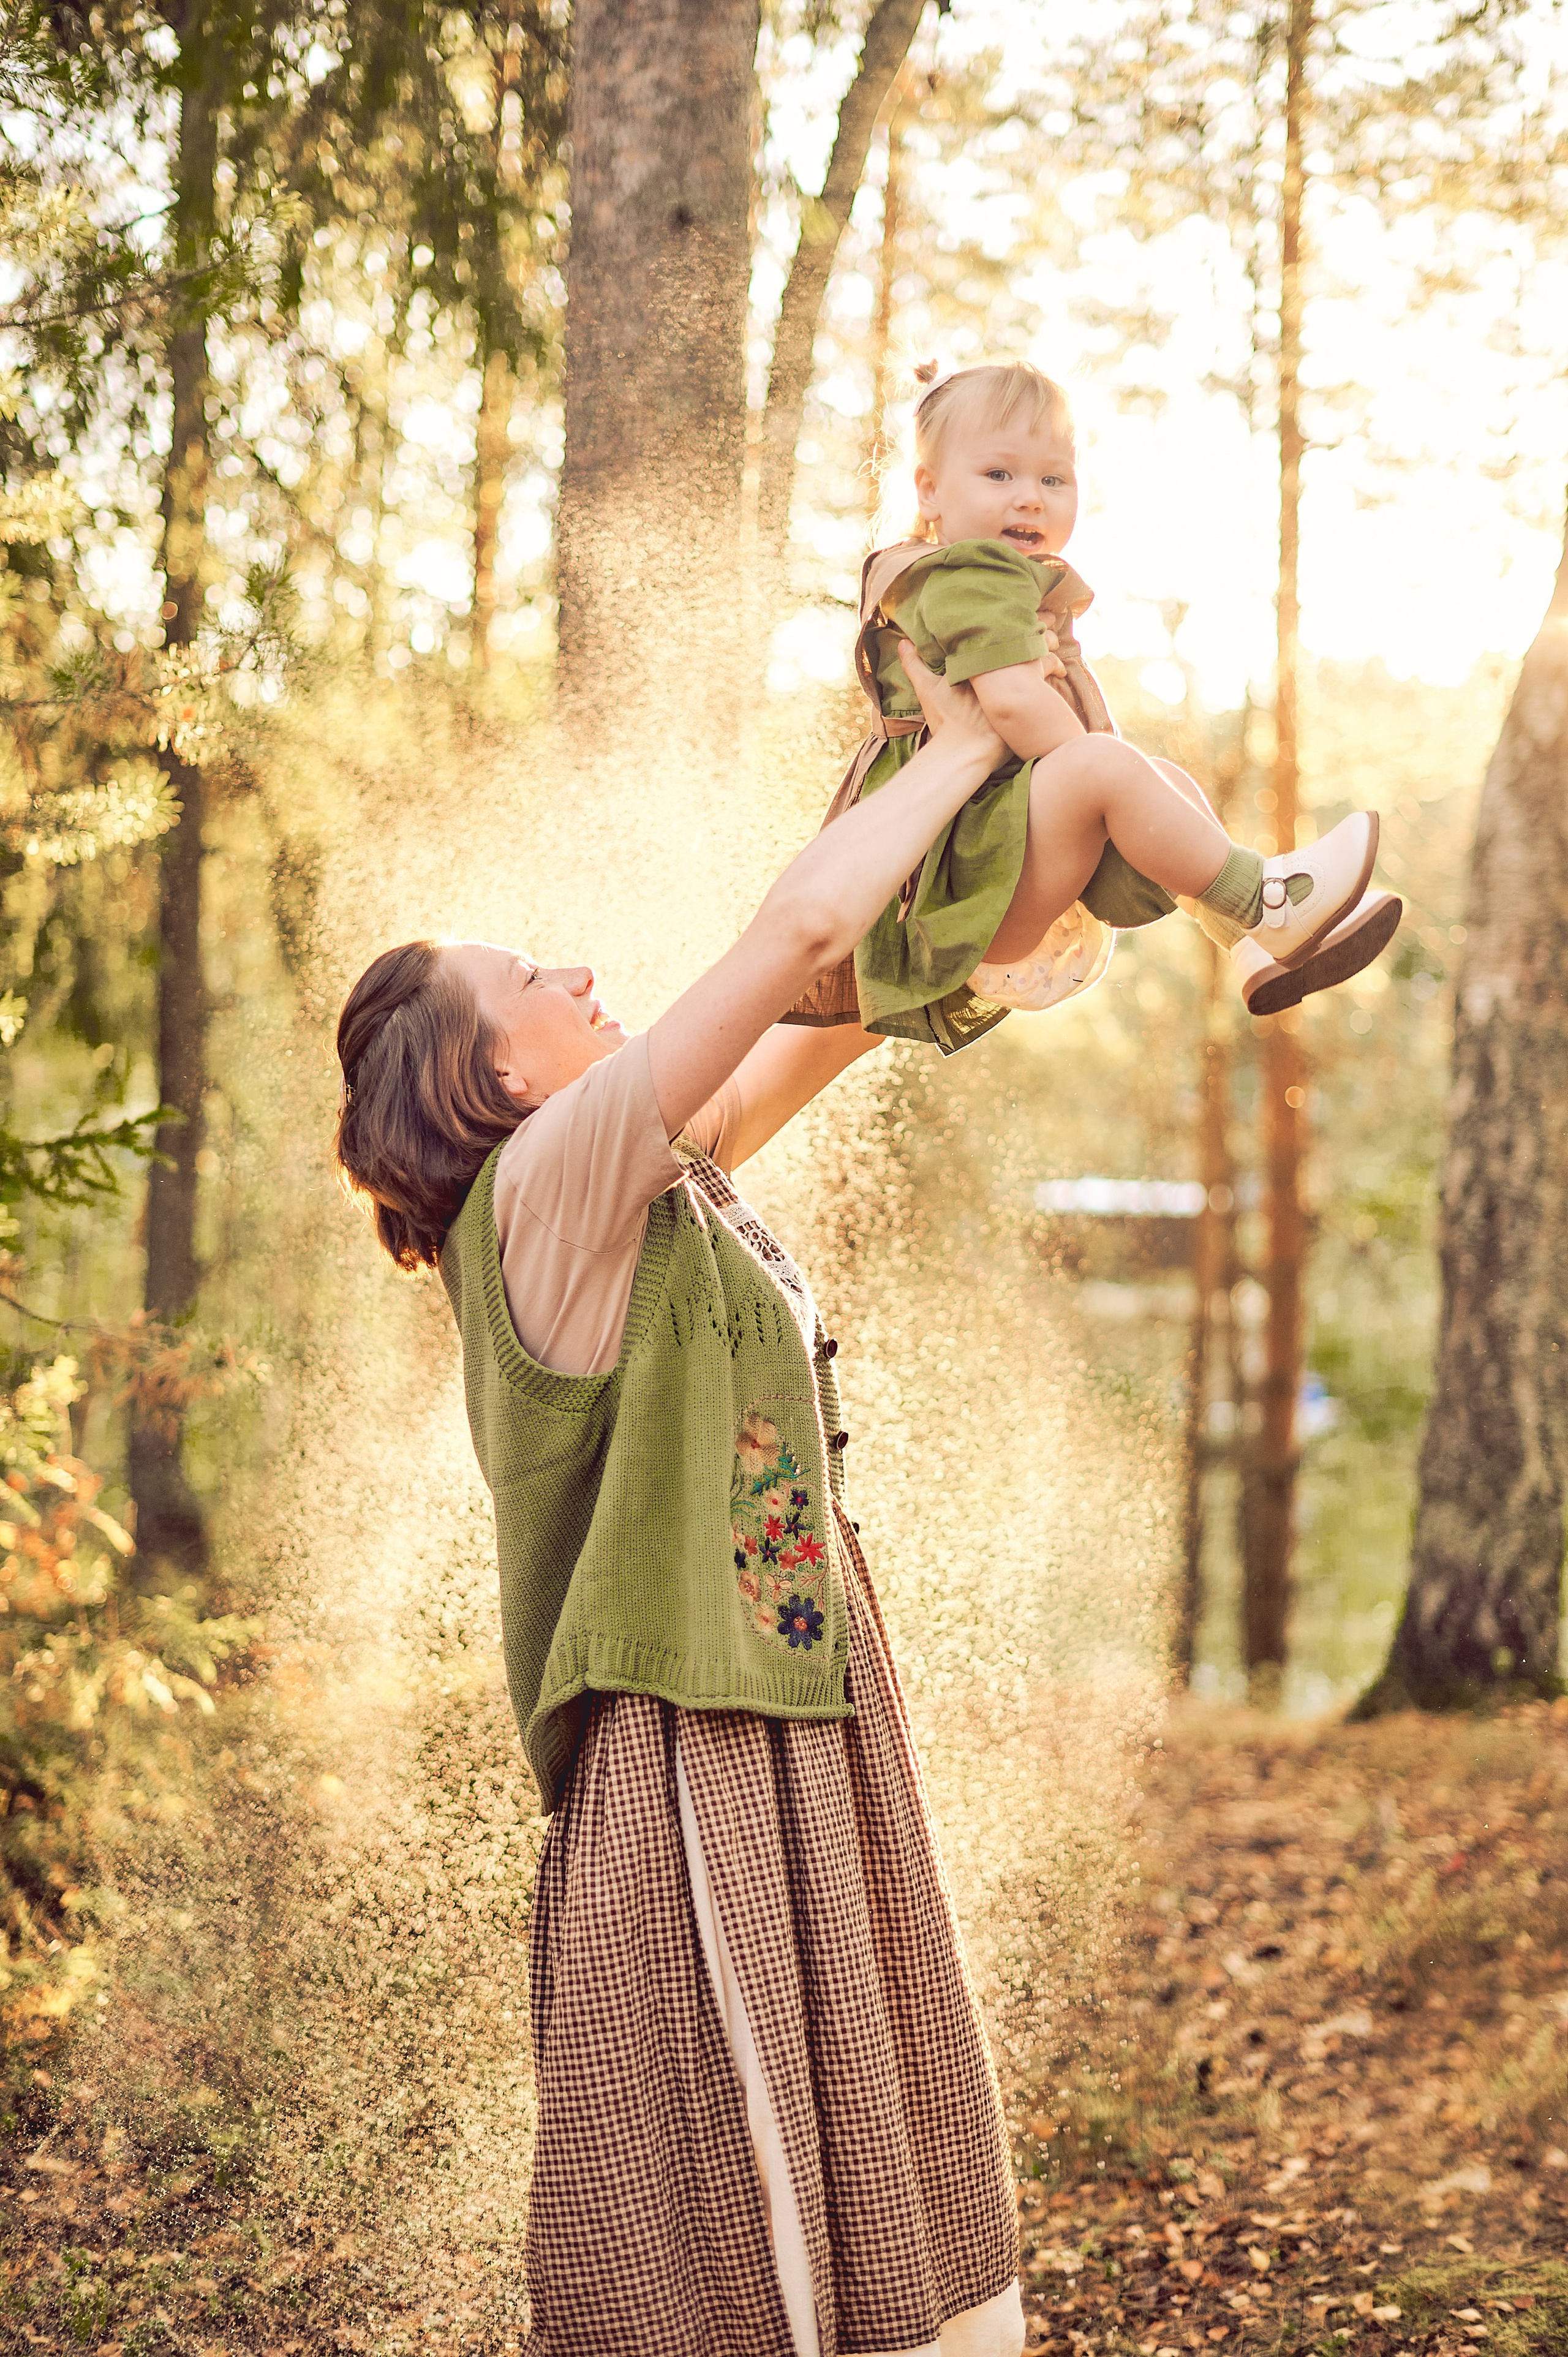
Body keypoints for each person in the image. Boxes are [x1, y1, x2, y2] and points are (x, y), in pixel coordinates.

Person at [333, 647, 1034, 2357]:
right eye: (527, 976)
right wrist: (959, 756)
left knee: (852, 2152)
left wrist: (949, 813)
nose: (577, 965)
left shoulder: (660, 1184)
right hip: (692, 1733)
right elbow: (788, 947)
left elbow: (834, 1002)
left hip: (794, 1690)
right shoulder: (544, 1193)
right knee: (739, 2217)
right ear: (487, 1078)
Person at [785, 360, 1401, 1055]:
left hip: (992, 865)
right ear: (928, 489)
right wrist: (1106, 784)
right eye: (998, 475)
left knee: (1161, 778)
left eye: (1053, 479)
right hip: (959, 878)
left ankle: (1252, 937)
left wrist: (1129, 791)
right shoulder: (966, 575)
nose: (1030, 499)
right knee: (1109, 768)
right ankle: (1266, 901)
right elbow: (1015, 707)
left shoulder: (1000, 583)